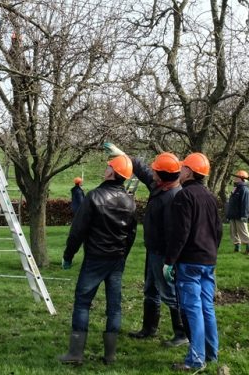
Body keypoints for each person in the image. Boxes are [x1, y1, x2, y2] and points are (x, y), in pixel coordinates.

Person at [103, 143, 189, 347]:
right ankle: (149, 328)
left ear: (164, 177)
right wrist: (125, 156)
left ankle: (182, 333)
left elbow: (175, 234)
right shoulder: (161, 186)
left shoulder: (174, 198)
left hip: (164, 254)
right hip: (153, 250)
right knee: (150, 290)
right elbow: (143, 171)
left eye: (157, 172)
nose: (154, 175)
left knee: (169, 292)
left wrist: (170, 261)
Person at [58, 154, 138, 365]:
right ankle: (110, 355)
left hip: (95, 259)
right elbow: (131, 235)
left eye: (108, 166)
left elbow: (77, 231)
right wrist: (122, 255)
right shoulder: (130, 201)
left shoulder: (93, 197)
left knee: (83, 303)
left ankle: (75, 353)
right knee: (114, 307)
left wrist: (68, 256)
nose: (105, 168)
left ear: (113, 172)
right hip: (116, 260)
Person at [163, 152, 222, 372]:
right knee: (207, 307)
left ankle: (196, 359)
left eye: (182, 168)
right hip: (208, 260)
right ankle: (211, 353)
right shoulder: (210, 197)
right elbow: (218, 230)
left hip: (189, 262)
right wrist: (212, 253)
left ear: (188, 171)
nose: (180, 171)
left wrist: (170, 261)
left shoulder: (184, 196)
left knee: (193, 309)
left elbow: (181, 232)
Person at [225, 170, 249, 254]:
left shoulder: (244, 189)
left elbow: (245, 204)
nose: (235, 178)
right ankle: (237, 247)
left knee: (243, 231)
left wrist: (244, 215)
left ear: (242, 179)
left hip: (240, 215)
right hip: (233, 214)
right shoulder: (236, 188)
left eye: (237, 177)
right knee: (233, 232)